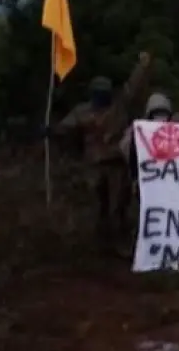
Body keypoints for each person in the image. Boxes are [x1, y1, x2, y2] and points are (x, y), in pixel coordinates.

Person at [49, 51, 155, 246]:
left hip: (116, 163)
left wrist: (143, 66)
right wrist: (51, 130)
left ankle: (118, 238)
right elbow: (65, 127)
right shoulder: (82, 111)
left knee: (119, 205)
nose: (102, 96)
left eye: (104, 93)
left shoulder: (118, 107)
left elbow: (133, 86)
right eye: (98, 93)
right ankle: (99, 240)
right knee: (98, 205)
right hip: (95, 165)